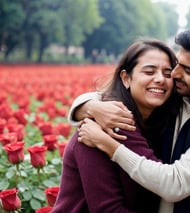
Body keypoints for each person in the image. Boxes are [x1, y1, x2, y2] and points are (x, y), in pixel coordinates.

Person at [72, 23, 190, 213]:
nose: (174, 75)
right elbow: (110, 95)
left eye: (188, 71)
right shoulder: (181, 92)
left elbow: (175, 184)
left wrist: (110, 146)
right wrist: (90, 107)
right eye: (177, 64)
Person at [52, 38, 181, 212]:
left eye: (167, 74)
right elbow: (108, 210)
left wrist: (87, 105)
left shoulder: (165, 124)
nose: (160, 79)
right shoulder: (102, 129)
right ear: (126, 78)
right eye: (149, 72)